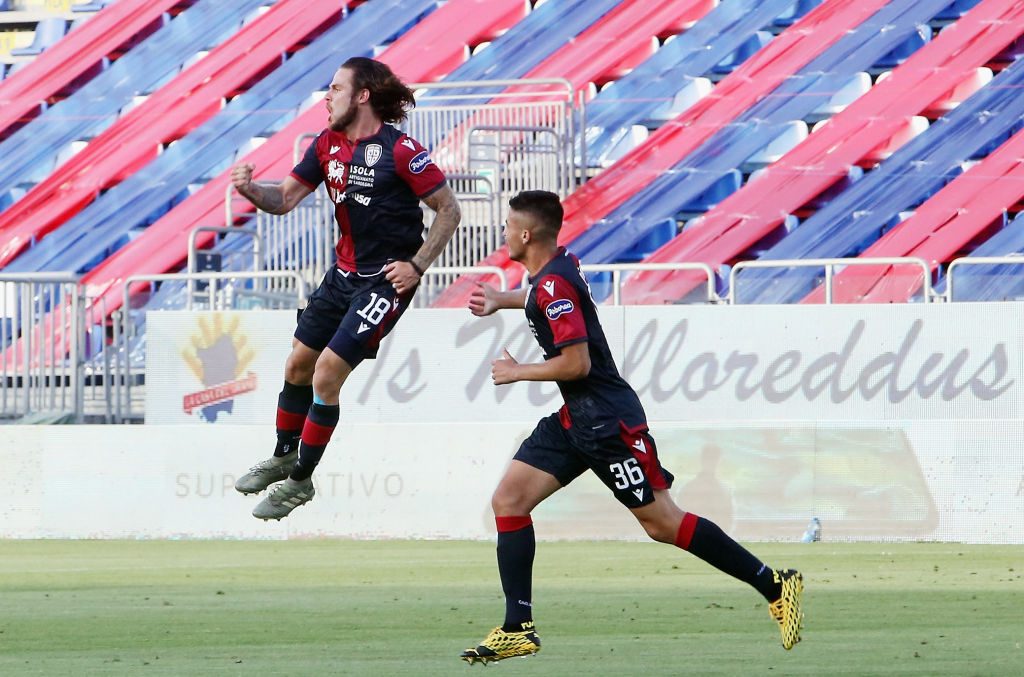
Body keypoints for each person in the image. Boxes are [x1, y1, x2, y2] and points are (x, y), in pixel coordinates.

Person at [459, 191, 802, 665]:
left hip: (606, 422)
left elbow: (576, 364)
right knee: (510, 499)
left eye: (506, 225)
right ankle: (518, 627)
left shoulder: (554, 285)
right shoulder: (557, 268)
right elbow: (544, 296)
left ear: (524, 234)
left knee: (663, 523)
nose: (502, 233)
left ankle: (774, 584)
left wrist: (519, 372)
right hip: (575, 419)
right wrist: (503, 300)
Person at [229, 57, 461, 520]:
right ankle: (282, 455)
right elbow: (286, 199)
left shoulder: (401, 150)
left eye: (335, 88)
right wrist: (251, 191)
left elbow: (449, 210)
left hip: (385, 279)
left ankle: (300, 482)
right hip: (342, 274)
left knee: (328, 371)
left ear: (362, 96)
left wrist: (417, 266)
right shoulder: (326, 144)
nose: (326, 97)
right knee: (298, 362)